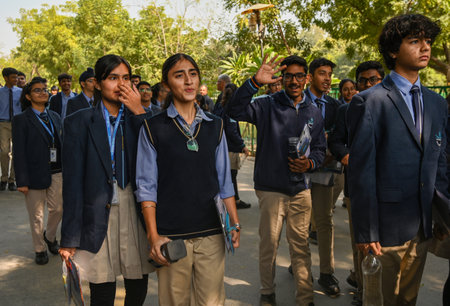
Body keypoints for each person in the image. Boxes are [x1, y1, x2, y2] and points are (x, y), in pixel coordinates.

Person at [347, 14, 448, 306]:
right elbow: (361, 171)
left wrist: (440, 214)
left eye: (427, 41)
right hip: (385, 229)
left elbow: (439, 161)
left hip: (422, 226)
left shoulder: (436, 102)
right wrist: (366, 229)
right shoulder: (369, 101)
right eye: (414, 41)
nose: (425, 47)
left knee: (407, 300)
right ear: (394, 50)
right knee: (379, 301)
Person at [136, 53, 240, 305]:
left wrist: (233, 223)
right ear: (166, 84)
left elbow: (224, 182)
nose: (188, 81)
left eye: (192, 74)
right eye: (179, 75)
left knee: (212, 302)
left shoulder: (215, 126)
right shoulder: (153, 127)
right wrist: (153, 236)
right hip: (171, 236)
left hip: (212, 232)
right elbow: (146, 188)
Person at [227, 54, 326, 306]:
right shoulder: (266, 104)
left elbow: (319, 149)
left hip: (301, 189)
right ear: (282, 79)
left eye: (298, 76)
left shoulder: (314, 110)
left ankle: (305, 298)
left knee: (300, 247)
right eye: (288, 76)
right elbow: (234, 110)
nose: (293, 81)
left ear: (306, 78)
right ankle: (267, 292)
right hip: (271, 189)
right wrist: (254, 82)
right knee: (269, 245)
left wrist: (309, 163)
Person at [59, 54, 153, 306]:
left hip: (135, 210)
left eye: (125, 78)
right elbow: (73, 183)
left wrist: (139, 112)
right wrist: (69, 238)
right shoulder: (78, 122)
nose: (121, 85)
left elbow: (160, 157)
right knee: (102, 287)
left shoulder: (142, 119)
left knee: (137, 282)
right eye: (113, 78)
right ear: (98, 84)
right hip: (96, 212)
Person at [328, 60, 384, 306]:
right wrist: (345, 155)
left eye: (374, 80)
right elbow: (336, 141)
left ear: (383, 80)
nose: (368, 85)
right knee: (361, 244)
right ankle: (362, 291)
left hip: (388, 190)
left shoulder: (394, 106)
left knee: (387, 248)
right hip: (357, 189)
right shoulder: (347, 110)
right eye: (363, 80)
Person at [12, 77, 63, 265]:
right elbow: (19, 151)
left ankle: (49, 237)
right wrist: (22, 180)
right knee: (36, 215)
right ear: (28, 96)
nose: (43, 92)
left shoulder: (55, 117)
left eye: (45, 89)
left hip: (57, 170)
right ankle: (40, 249)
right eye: (37, 90)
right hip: (33, 174)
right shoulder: (21, 120)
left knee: (58, 209)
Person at [303, 57, 341, 297]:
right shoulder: (296, 100)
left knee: (325, 221)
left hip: (325, 170)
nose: (327, 78)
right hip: (298, 170)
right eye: (322, 73)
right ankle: (300, 266)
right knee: (299, 222)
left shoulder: (336, 106)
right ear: (310, 77)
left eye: (329, 74)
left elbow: (339, 137)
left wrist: (331, 152)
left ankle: (326, 272)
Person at [213, 82, 251, 209]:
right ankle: (235, 201)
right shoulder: (231, 109)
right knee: (231, 175)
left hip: (219, 145)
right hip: (230, 147)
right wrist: (242, 146)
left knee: (224, 175)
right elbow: (232, 129)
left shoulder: (219, 106)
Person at [0, 67, 21, 191]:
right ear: (5, 78)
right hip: (3, 124)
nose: (16, 79)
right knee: (3, 152)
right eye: (13, 77)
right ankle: (3, 178)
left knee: (17, 152)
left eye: (17, 77)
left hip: (18, 123)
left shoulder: (21, 92)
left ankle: (12, 180)